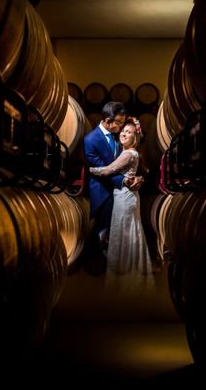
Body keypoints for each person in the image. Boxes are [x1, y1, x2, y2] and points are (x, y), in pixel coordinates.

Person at [89, 119, 154, 292]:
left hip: (125, 198)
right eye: (123, 131)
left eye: (129, 132)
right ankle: (132, 276)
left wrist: (89, 169)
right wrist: (138, 176)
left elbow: (107, 170)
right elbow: (139, 170)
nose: (124, 133)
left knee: (123, 233)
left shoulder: (129, 153)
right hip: (127, 197)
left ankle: (125, 280)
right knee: (129, 232)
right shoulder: (125, 151)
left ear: (135, 138)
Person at [83, 102, 143, 274]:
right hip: (104, 192)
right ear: (107, 121)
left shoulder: (119, 135)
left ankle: (121, 268)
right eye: (118, 123)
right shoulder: (90, 140)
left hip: (122, 192)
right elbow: (102, 168)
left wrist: (138, 177)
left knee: (120, 231)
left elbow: (132, 160)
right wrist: (125, 181)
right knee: (103, 232)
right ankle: (101, 268)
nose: (122, 127)